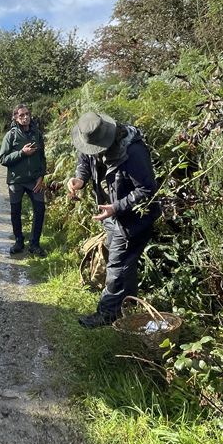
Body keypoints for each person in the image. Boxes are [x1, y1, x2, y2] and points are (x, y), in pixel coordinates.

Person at [67, 111, 160, 328]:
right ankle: (127, 304)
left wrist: (115, 207)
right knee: (123, 262)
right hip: (112, 215)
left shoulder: (133, 151)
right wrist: (79, 180)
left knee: (117, 264)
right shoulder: (90, 140)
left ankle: (107, 314)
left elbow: (147, 189)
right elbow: (85, 160)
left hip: (133, 219)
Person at [0, 104, 47, 257]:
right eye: (21, 115)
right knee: (15, 212)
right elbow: (3, 159)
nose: (25, 117)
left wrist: (41, 176)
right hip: (16, 181)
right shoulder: (10, 135)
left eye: (27, 114)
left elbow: (42, 158)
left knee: (40, 210)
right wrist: (22, 153)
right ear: (15, 118)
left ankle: (34, 244)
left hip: (34, 180)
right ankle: (19, 241)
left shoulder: (37, 134)